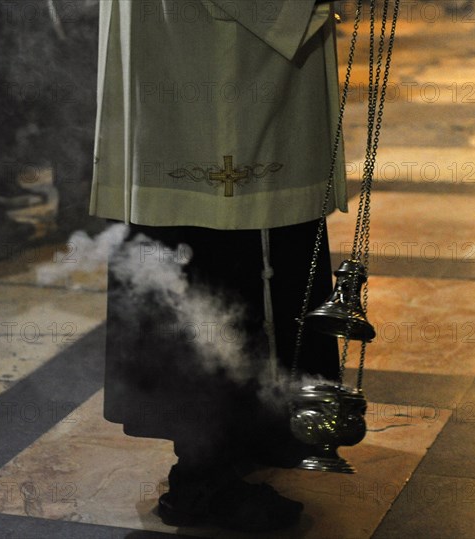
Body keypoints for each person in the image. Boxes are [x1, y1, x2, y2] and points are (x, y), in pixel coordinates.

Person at [90, 0, 346, 532]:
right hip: (209, 66)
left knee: (229, 241)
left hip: (212, 54)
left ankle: (244, 434)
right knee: (215, 250)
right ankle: (206, 474)